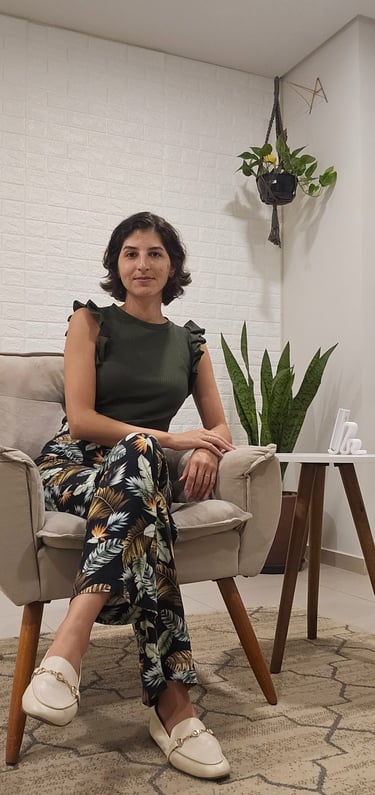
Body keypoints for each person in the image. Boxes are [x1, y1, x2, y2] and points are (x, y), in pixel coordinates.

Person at [22, 211, 234, 780]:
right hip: (74, 467)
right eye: (131, 253)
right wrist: (170, 439)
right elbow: (85, 420)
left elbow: (220, 428)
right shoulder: (90, 323)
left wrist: (209, 450)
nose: (143, 264)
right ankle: (174, 707)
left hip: (138, 477)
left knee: (141, 473)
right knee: (143, 468)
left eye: (155, 253)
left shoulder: (189, 342)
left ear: (173, 265)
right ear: (117, 265)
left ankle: (69, 644)